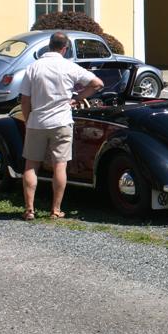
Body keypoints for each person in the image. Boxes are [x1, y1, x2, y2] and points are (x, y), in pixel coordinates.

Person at [19, 31, 103, 221]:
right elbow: (97, 83)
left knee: (31, 165)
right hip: (61, 121)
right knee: (60, 166)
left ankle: (29, 209)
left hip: (37, 121)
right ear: (65, 48)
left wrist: (28, 119)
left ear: (49, 45)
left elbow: (25, 99)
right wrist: (77, 98)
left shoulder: (33, 67)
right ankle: (56, 209)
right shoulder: (69, 66)